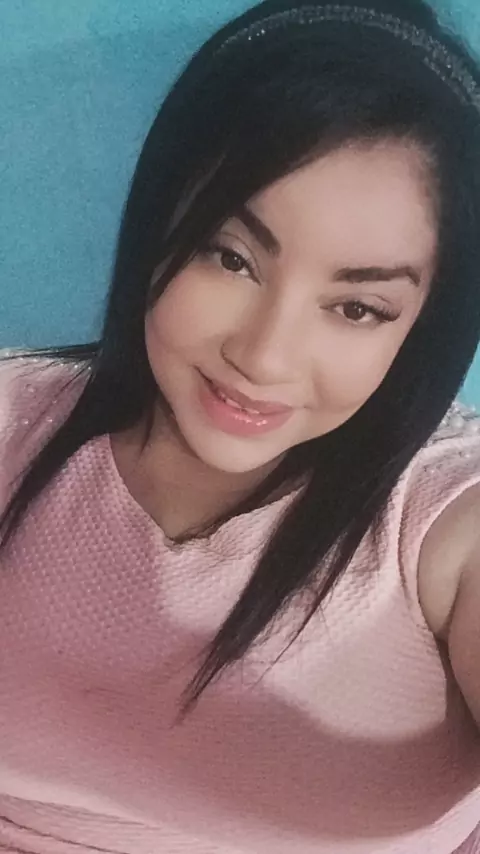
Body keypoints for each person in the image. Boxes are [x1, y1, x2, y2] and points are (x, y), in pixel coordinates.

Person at [1, 0, 480, 851]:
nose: (264, 356)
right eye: (231, 258)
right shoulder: (15, 416)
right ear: (162, 223)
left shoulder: (438, 520)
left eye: (357, 307)